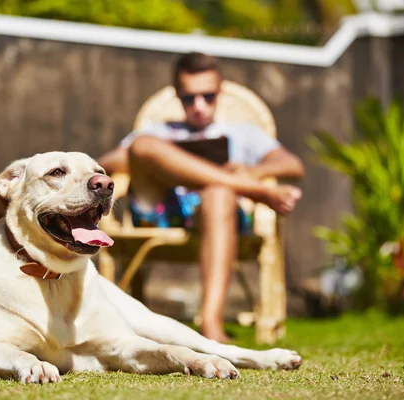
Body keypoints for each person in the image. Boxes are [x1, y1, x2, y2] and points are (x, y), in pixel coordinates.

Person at [98, 52, 305, 343]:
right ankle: (251, 192)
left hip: (222, 216)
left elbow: (292, 165)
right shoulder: (158, 132)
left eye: (208, 97)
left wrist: (252, 171)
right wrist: (164, 159)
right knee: (144, 145)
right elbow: (106, 163)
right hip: (162, 209)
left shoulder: (244, 134)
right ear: (177, 97)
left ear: (220, 92)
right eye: (189, 98)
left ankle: (210, 325)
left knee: (219, 193)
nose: (199, 106)